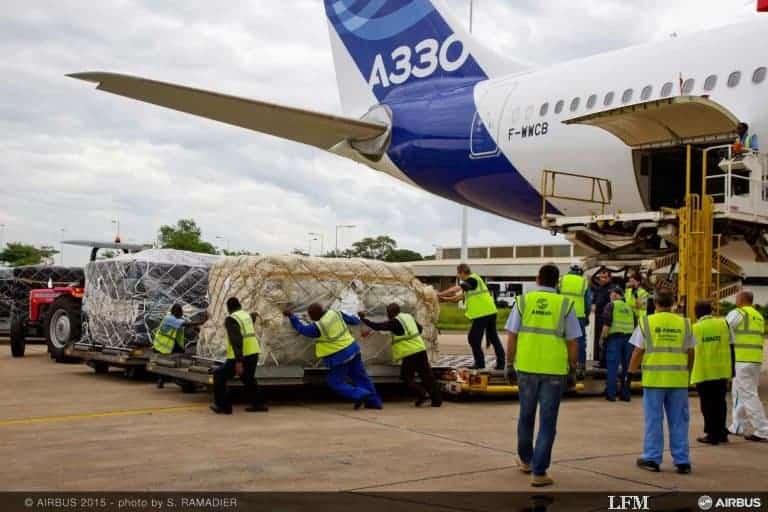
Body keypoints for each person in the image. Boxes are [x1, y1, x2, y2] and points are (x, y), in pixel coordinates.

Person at [505, 264, 580, 487]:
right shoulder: (565, 304)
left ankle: (526, 461)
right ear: (557, 282)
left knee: (526, 416)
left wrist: (509, 364)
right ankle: (539, 472)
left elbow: (512, 335)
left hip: (527, 368)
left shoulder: (523, 301)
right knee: (548, 421)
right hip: (554, 370)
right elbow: (573, 341)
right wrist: (573, 369)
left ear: (538, 279)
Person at [628, 289, 695, 473]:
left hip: (654, 380)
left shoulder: (646, 322)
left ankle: (652, 458)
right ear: (673, 303)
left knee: (654, 420)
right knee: (679, 421)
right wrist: (687, 372)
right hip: (678, 380)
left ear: (655, 303)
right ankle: (682, 461)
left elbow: (638, 351)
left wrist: (630, 372)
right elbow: (691, 352)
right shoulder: (685, 323)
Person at [285, 303, 383, 410]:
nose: (311, 318)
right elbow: (354, 320)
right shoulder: (335, 313)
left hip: (340, 356)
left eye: (311, 316)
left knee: (335, 382)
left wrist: (292, 316)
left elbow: (302, 329)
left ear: (315, 315)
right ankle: (375, 403)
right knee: (362, 378)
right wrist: (360, 316)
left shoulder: (319, 326)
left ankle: (361, 394)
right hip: (353, 349)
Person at [359, 303, 442, 407]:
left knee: (406, 377)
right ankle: (437, 400)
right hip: (420, 349)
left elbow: (378, 326)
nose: (387, 315)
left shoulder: (395, 322)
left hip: (410, 353)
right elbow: (420, 329)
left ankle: (422, 394)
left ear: (390, 313)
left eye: (388, 313)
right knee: (427, 375)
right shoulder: (408, 317)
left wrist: (364, 320)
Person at [437, 264, 505, 370]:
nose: (458, 276)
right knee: (493, 338)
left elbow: (456, 289)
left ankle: (480, 363)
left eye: (458, 274)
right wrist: (443, 299)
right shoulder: (472, 284)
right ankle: (501, 364)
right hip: (490, 312)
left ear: (462, 272)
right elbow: (457, 298)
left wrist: (440, 294)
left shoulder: (472, 280)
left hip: (483, 314)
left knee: (473, 338)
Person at [210, 297, 268, 415]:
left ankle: (223, 406)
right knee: (248, 378)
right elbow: (250, 319)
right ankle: (258, 404)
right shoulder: (246, 315)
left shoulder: (231, 319)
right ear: (239, 305)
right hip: (253, 352)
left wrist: (238, 361)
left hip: (241, 356)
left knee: (219, 375)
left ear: (228, 308)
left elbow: (236, 340)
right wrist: (255, 314)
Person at [691, 300, 735, 445]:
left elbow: (689, 351)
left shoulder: (695, 328)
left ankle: (711, 434)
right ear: (711, 311)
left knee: (707, 404)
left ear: (696, 312)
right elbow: (731, 345)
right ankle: (722, 432)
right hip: (722, 371)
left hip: (704, 372)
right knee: (720, 403)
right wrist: (732, 370)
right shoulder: (724, 324)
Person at [726, 291, 768, 441]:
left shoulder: (739, 313)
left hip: (742, 359)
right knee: (741, 392)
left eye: (736, 298)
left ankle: (763, 429)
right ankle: (738, 425)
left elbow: (724, 328)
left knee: (748, 394)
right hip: (755, 359)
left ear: (741, 300)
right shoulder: (758, 315)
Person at [152, 304, 207, 389]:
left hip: (173, 344)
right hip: (162, 345)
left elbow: (189, 325)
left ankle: (179, 380)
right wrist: (202, 322)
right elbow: (185, 324)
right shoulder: (169, 318)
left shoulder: (179, 318)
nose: (181, 313)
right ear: (175, 312)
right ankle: (161, 380)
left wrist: (199, 329)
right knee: (165, 363)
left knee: (177, 361)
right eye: (180, 312)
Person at [599, 287, 635, 402]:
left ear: (615, 295)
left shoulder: (611, 306)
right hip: (629, 340)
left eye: (611, 294)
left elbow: (607, 324)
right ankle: (625, 394)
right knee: (627, 368)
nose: (610, 296)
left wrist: (602, 338)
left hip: (615, 339)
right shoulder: (630, 308)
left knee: (613, 368)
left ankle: (611, 394)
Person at [558, 264, 591, 378]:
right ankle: (580, 367)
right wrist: (587, 316)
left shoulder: (562, 280)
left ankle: (563, 365)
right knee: (579, 341)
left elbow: (556, 295)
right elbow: (588, 302)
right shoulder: (583, 282)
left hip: (563, 314)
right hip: (579, 315)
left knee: (562, 340)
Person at [591, 267, 614, 368]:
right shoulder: (599, 288)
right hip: (599, 317)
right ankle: (601, 361)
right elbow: (595, 301)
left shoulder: (612, 288)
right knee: (599, 341)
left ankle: (605, 362)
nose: (602, 279)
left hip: (607, 318)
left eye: (605, 277)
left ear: (609, 278)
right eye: (601, 277)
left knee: (605, 340)